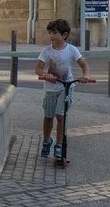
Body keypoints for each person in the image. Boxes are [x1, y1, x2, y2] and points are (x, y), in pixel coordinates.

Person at [35, 18, 92, 160]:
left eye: (54, 33)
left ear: (64, 35)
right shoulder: (47, 51)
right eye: (50, 33)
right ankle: (47, 141)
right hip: (51, 88)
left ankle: (59, 145)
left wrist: (85, 76)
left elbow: (84, 65)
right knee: (48, 117)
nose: (51, 35)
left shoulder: (72, 50)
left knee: (61, 116)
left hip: (66, 86)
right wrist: (45, 74)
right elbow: (38, 69)